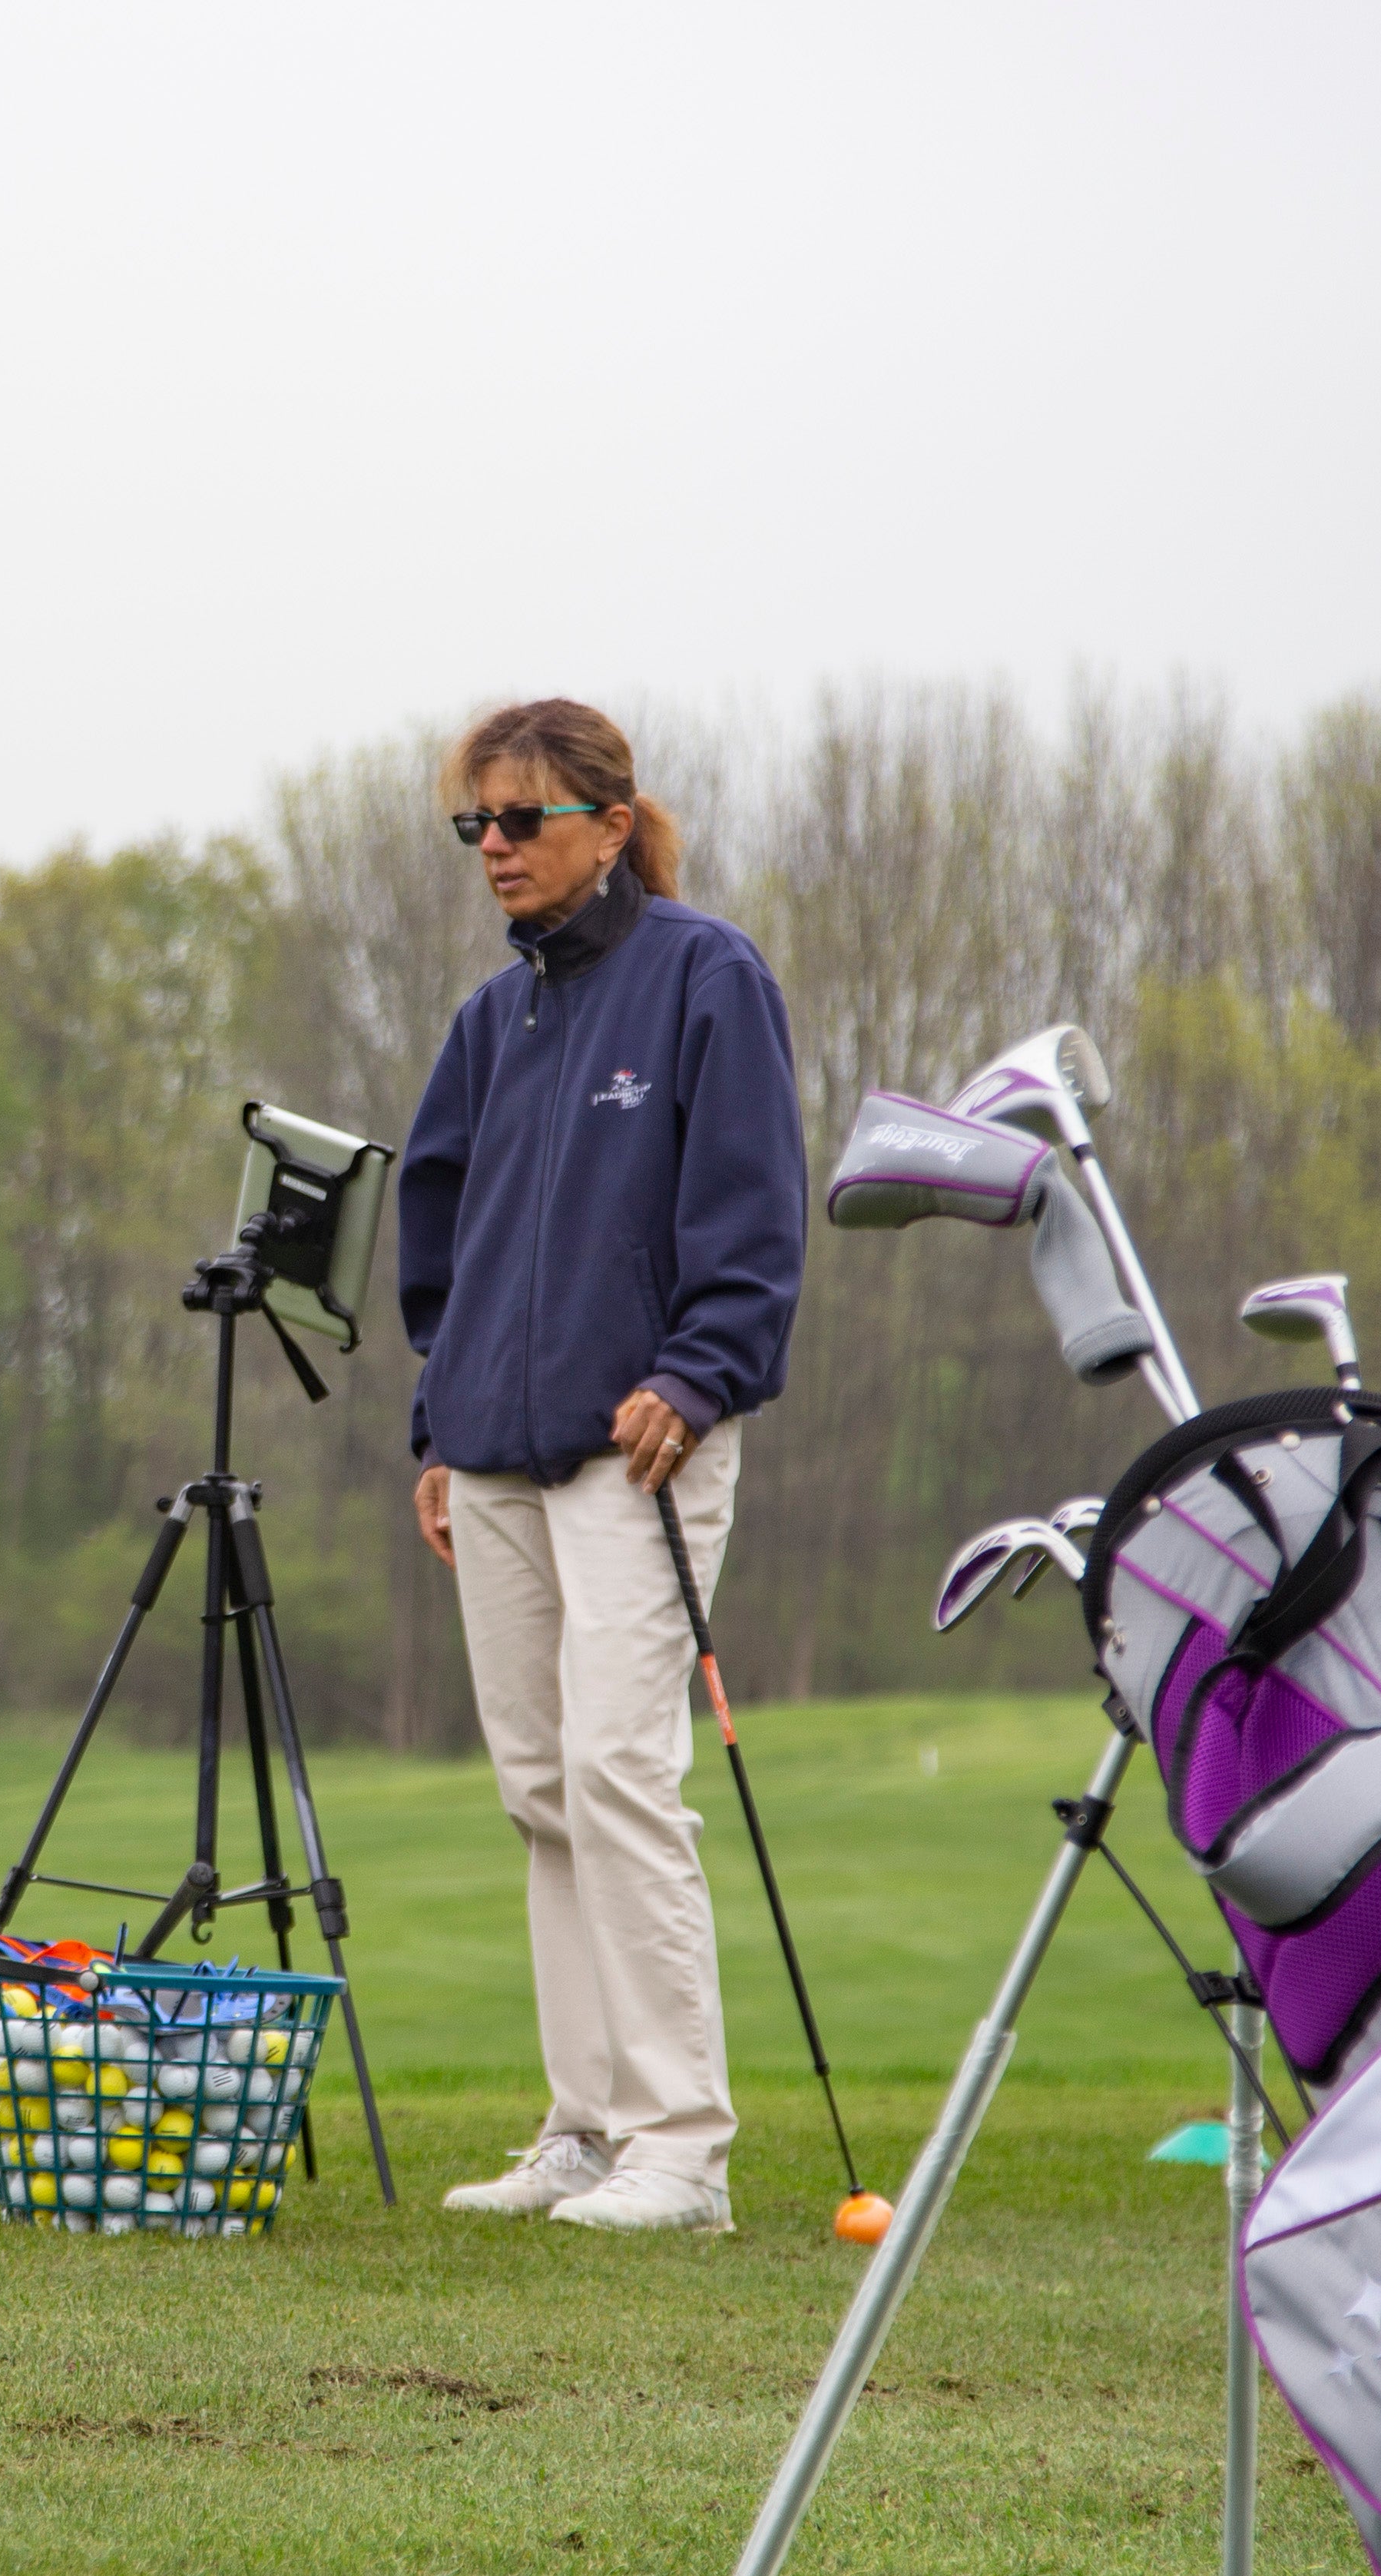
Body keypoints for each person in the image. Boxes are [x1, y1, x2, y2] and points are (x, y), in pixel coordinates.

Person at [398, 699, 806, 2234]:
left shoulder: (709, 977)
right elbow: (440, 1238)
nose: (493, 849)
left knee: (624, 1772)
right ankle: (583, 2127)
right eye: (476, 827)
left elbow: (756, 1217)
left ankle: (681, 2150)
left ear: (610, 824)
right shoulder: (490, 1022)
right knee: (539, 1786)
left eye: (521, 821)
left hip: (640, 1445)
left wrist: (697, 1375)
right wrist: (437, 1431)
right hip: (492, 1455)